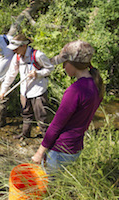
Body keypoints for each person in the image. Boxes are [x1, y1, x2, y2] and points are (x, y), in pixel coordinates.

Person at [31, 40, 104, 175]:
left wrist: (39, 152)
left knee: (49, 188)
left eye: (64, 63)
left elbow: (56, 125)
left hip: (61, 151)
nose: (63, 67)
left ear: (73, 64)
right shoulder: (96, 84)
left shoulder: (75, 90)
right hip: (75, 148)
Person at [0, 34, 54, 139]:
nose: (14, 51)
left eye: (15, 49)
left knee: (41, 117)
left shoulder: (38, 55)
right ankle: (25, 134)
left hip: (38, 90)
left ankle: (47, 139)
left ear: (23, 46)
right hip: (24, 91)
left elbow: (50, 69)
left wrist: (37, 74)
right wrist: (3, 90)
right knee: (26, 114)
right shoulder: (17, 57)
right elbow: (11, 75)